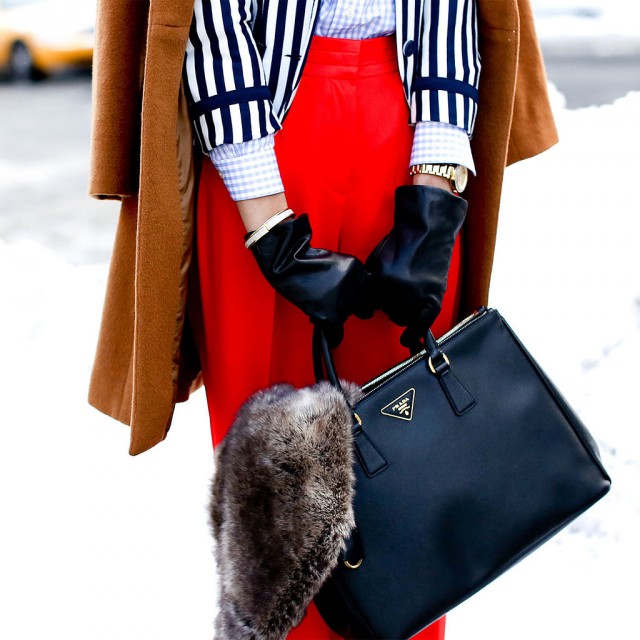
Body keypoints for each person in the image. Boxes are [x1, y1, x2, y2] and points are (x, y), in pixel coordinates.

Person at [87, 0, 558, 637]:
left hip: (411, 132)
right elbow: (210, 21)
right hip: (259, 140)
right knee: (275, 479)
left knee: (416, 462)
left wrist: (434, 193)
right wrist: (271, 224)